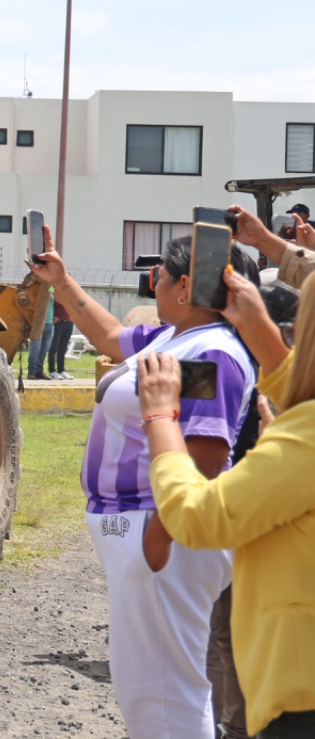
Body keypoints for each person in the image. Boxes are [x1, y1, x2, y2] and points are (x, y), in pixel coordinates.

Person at [27, 224, 258, 739]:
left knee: (162, 695)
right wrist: (60, 283)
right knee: (152, 689)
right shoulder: (178, 338)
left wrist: (156, 540)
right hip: (152, 533)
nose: (150, 285)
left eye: (159, 275)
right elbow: (109, 336)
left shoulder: (210, 352)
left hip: (164, 534)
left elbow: (205, 452)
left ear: (183, 288)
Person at [140, 266, 315, 739]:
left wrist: (160, 415)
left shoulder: (307, 437)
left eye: (300, 332)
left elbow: (197, 516)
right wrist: (259, 333)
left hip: (300, 698)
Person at [27, 290, 56, 380]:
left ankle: (39, 371)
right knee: (35, 348)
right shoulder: (38, 288)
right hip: (38, 323)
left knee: (44, 349)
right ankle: (31, 372)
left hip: (49, 323)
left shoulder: (50, 288)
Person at [48, 298, 75, 379]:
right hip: (59, 322)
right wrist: (53, 316)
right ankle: (52, 370)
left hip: (69, 322)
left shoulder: (69, 294)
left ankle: (61, 370)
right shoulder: (55, 291)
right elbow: (50, 302)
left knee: (63, 348)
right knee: (54, 347)